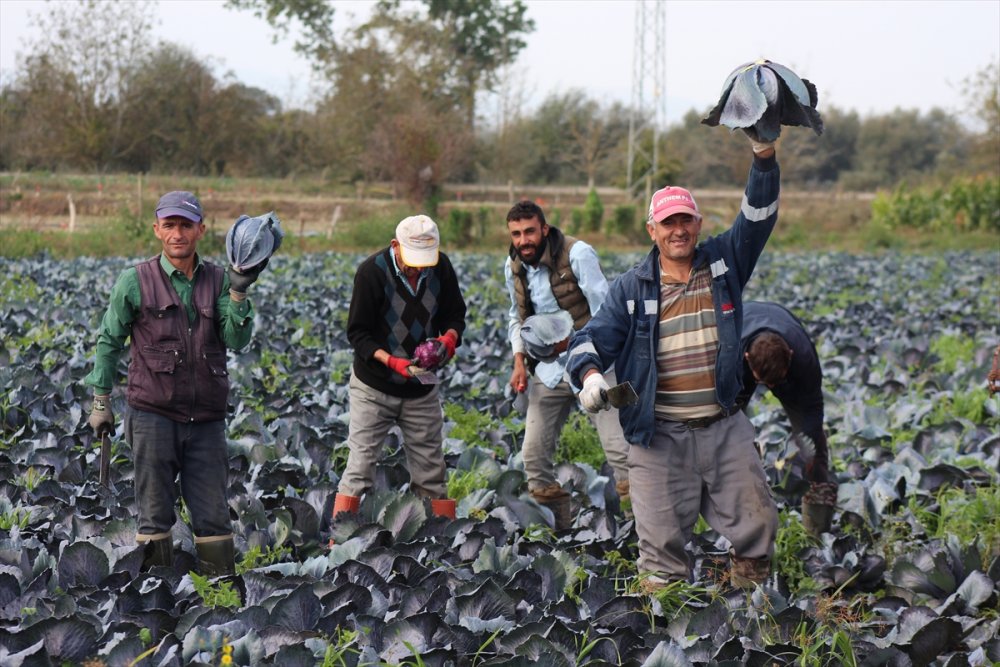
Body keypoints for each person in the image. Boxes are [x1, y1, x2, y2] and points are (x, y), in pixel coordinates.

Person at [566, 136, 781, 590]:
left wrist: (764, 156)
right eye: (668, 223)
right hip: (658, 436)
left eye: (685, 219)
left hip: (724, 426)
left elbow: (758, 218)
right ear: (652, 230)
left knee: (757, 524)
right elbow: (590, 340)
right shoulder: (631, 289)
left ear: (699, 224)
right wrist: (587, 377)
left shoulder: (725, 263)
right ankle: (665, 628)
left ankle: (754, 608)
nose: (678, 229)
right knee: (661, 552)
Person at [85, 191, 266, 575]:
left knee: (213, 515)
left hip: (206, 420)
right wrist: (101, 401)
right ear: (157, 230)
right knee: (154, 515)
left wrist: (238, 292)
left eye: (186, 225)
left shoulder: (219, 279)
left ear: (201, 229)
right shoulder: (134, 281)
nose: (178, 233)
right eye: (170, 225)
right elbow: (108, 341)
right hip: (153, 415)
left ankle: (218, 600)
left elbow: (236, 340)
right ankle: (156, 600)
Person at [504, 201, 631, 530]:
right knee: (532, 457)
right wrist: (519, 360)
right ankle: (559, 531)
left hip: (594, 365)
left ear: (544, 229)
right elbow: (515, 316)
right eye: (516, 234)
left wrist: (572, 344)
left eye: (530, 231)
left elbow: (605, 311)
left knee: (621, 453)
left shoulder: (578, 254)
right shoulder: (514, 265)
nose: (523, 240)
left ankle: (642, 534)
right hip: (548, 370)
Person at [332, 215, 467, 522]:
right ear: (395, 246)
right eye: (413, 260)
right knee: (360, 467)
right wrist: (392, 362)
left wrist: (448, 338)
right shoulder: (371, 273)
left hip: (421, 386)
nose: (419, 268)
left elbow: (455, 314)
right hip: (374, 387)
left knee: (432, 472)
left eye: (425, 261)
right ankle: (338, 544)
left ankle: (437, 545)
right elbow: (358, 334)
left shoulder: (441, 268)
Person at [738, 300, 837, 536]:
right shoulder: (731, 350)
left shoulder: (802, 356)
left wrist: (802, 450)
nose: (770, 388)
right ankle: (748, 519)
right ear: (748, 357)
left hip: (784, 337)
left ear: (790, 356)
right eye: (765, 383)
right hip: (741, 344)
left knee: (813, 447)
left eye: (774, 383)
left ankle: (816, 531)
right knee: (731, 437)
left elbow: (812, 409)